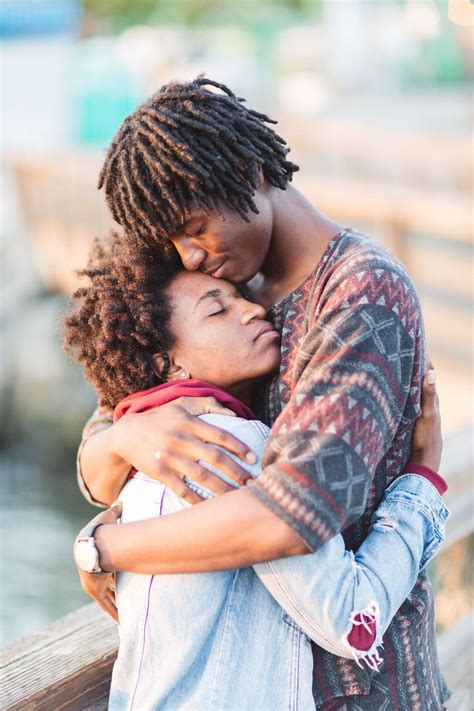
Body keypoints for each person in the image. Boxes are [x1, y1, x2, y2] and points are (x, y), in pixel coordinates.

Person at [76, 77, 449, 708]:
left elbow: (290, 518)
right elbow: (99, 456)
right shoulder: (221, 291)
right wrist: (128, 434)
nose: (191, 257)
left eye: (195, 227)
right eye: (173, 243)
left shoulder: (360, 295)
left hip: (361, 685)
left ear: (249, 172)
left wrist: (103, 547)